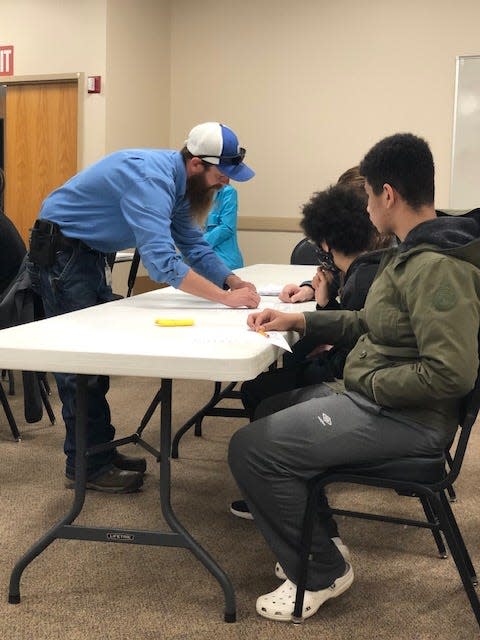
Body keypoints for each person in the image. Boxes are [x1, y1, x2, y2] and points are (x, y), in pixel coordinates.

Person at [228, 133, 480, 622]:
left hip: (408, 418)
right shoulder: (410, 252)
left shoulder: (437, 267)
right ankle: (319, 537)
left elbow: (450, 373)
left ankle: (320, 571)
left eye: (367, 197)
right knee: (272, 409)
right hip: (383, 400)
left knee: (249, 448)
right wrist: (301, 320)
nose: (364, 208)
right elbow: (371, 322)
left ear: (388, 195)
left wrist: (371, 385)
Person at [27, 121, 260, 494]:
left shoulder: (180, 185)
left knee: (95, 360)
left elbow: (193, 245)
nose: (225, 183)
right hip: (63, 254)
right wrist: (225, 299)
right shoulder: (151, 180)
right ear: (197, 164)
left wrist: (231, 281)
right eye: (221, 174)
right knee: (79, 364)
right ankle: (86, 465)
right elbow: (163, 262)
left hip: (84, 254)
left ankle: (98, 450)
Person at [230, 184, 383, 519]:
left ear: (326, 242)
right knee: (277, 376)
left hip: (352, 382)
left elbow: (349, 344)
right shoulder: (368, 268)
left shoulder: (362, 279)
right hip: (357, 372)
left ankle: (283, 486)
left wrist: (324, 306)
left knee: (261, 390)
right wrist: (314, 297)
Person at [204, 180, 244, 270]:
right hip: (197, 258)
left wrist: (197, 245)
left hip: (225, 260)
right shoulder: (193, 193)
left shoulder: (228, 192)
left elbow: (227, 227)